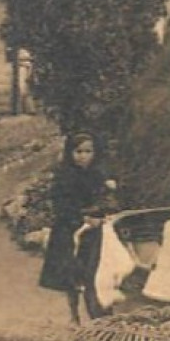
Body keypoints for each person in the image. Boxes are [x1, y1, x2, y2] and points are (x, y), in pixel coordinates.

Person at [38, 133, 117, 325]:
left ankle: (100, 312)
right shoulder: (64, 176)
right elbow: (61, 205)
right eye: (78, 151)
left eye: (88, 151)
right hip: (69, 228)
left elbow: (104, 201)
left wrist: (107, 205)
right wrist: (83, 217)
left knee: (95, 271)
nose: (83, 156)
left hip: (93, 230)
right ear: (70, 153)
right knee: (71, 276)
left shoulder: (97, 174)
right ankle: (74, 315)